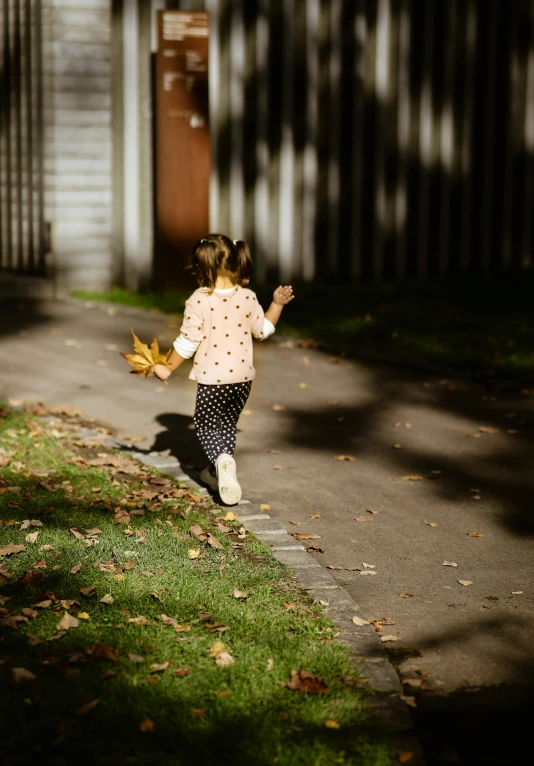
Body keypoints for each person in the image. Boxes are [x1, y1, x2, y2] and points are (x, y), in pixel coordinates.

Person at [151, 234, 294, 505]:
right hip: (242, 380)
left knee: (205, 426)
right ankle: (217, 474)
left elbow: (187, 342)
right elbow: (263, 331)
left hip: (212, 380)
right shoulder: (248, 296)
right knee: (227, 424)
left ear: (202, 268)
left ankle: (222, 460)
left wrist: (167, 369)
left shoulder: (199, 300)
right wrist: (276, 304)